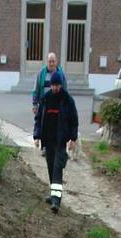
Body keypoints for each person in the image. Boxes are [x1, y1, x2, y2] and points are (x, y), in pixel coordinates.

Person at [34, 70, 78, 213]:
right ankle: (53, 194)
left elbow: (74, 121)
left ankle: (56, 201)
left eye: (57, 86)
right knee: (50, 168)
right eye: (53, 85)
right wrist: (36, 136)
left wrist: (73, 138)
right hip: (48, 140)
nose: (55, 88)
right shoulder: (46, 99)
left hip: (60, 140)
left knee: (57, 168)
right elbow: (39, 119)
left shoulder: (67, 100)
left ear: (61, 86)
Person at [32, 53, 66, 124]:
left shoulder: (61, 74)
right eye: (50, 62)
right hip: (44, 106)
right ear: (47, 62)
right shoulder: (41, 73)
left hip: (57, 106)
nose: (51, 64)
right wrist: (35, 104)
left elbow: (65, 90)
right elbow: (36, 90)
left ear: (56, 62)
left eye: (53, 61)